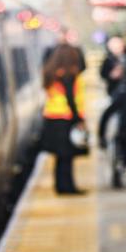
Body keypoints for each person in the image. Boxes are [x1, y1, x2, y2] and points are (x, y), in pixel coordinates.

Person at [41, 44, 87, 194]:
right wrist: (79, 119)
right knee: (67, 157)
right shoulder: (69, 75)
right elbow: (71, 98)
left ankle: (60, 186)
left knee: (60, 157)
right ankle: (68, 187)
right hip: (66, 119)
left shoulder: (50, 73)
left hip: (52, 119)